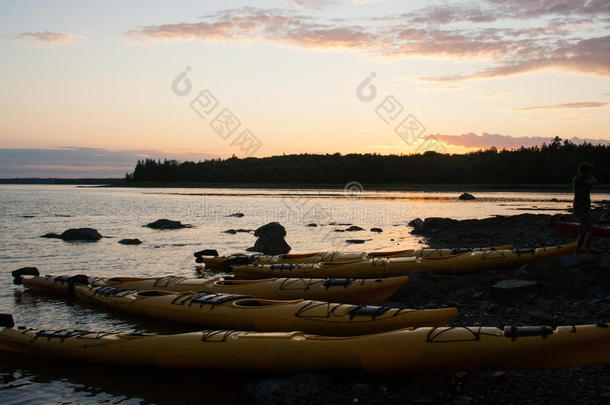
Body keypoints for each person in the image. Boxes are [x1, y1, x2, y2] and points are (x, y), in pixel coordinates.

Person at [573, 162, 597, 254]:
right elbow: (594, 182)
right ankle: (587, 250)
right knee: (590, 228)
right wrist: (591, 176)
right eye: (590, 171)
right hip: (579, 208)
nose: (591, 173)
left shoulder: (586, 180)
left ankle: (577, 251)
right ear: (585, 171)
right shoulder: (578, 179)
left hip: (586, 207)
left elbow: (593, 184)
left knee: (583, 231)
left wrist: (590, 176)